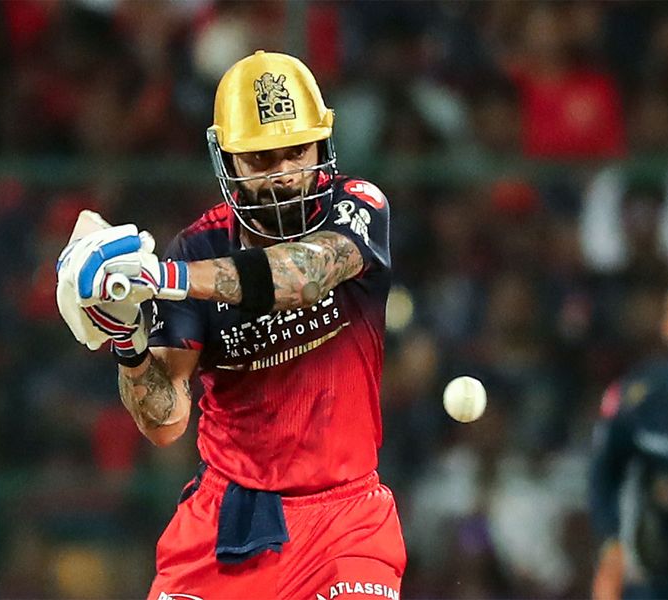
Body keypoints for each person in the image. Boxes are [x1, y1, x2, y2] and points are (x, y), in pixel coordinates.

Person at [56, 51, 406, 599]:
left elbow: (302, 276)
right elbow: (165, 422)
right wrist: (127, 341)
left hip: (347, 523)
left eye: (298, 151)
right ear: (229, 161)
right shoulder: (197, 246)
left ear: (323, 145)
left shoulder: (357, 206)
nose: (285, 175)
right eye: (262, 159)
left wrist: (165, 278)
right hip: (227, 519)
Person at [590, 281, 668, 600]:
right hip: (657, 568)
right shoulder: (638, 395)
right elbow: (605, 471)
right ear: (666, 328)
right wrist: (611, 540)